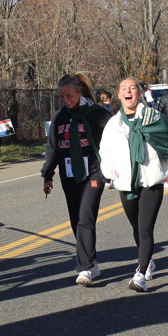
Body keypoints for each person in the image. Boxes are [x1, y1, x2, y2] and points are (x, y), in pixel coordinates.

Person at [100, 79, 168, 291]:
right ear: (119, 95)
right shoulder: (113, 124)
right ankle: (148, 260)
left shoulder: (154, 118)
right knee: (136, 228)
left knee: (145, 229)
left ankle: (140, 274)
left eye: (132, 88)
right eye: (123, 89)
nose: (128, 91)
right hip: (127, 183)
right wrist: (108, 175)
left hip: (151, 182)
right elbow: (105, 152)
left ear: (139, 93)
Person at [41, 72, 112, 286]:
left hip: (93, 172)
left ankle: (85, 267)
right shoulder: (60, 117)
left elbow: (113, 144)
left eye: (69, 96)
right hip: (69, 174)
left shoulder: (98, 114)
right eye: (61, 97)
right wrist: (47, 174)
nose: (65, 100)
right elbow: (53, 147)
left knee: (85, 217)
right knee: (76, 219)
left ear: (79, 92)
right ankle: (92, 261)